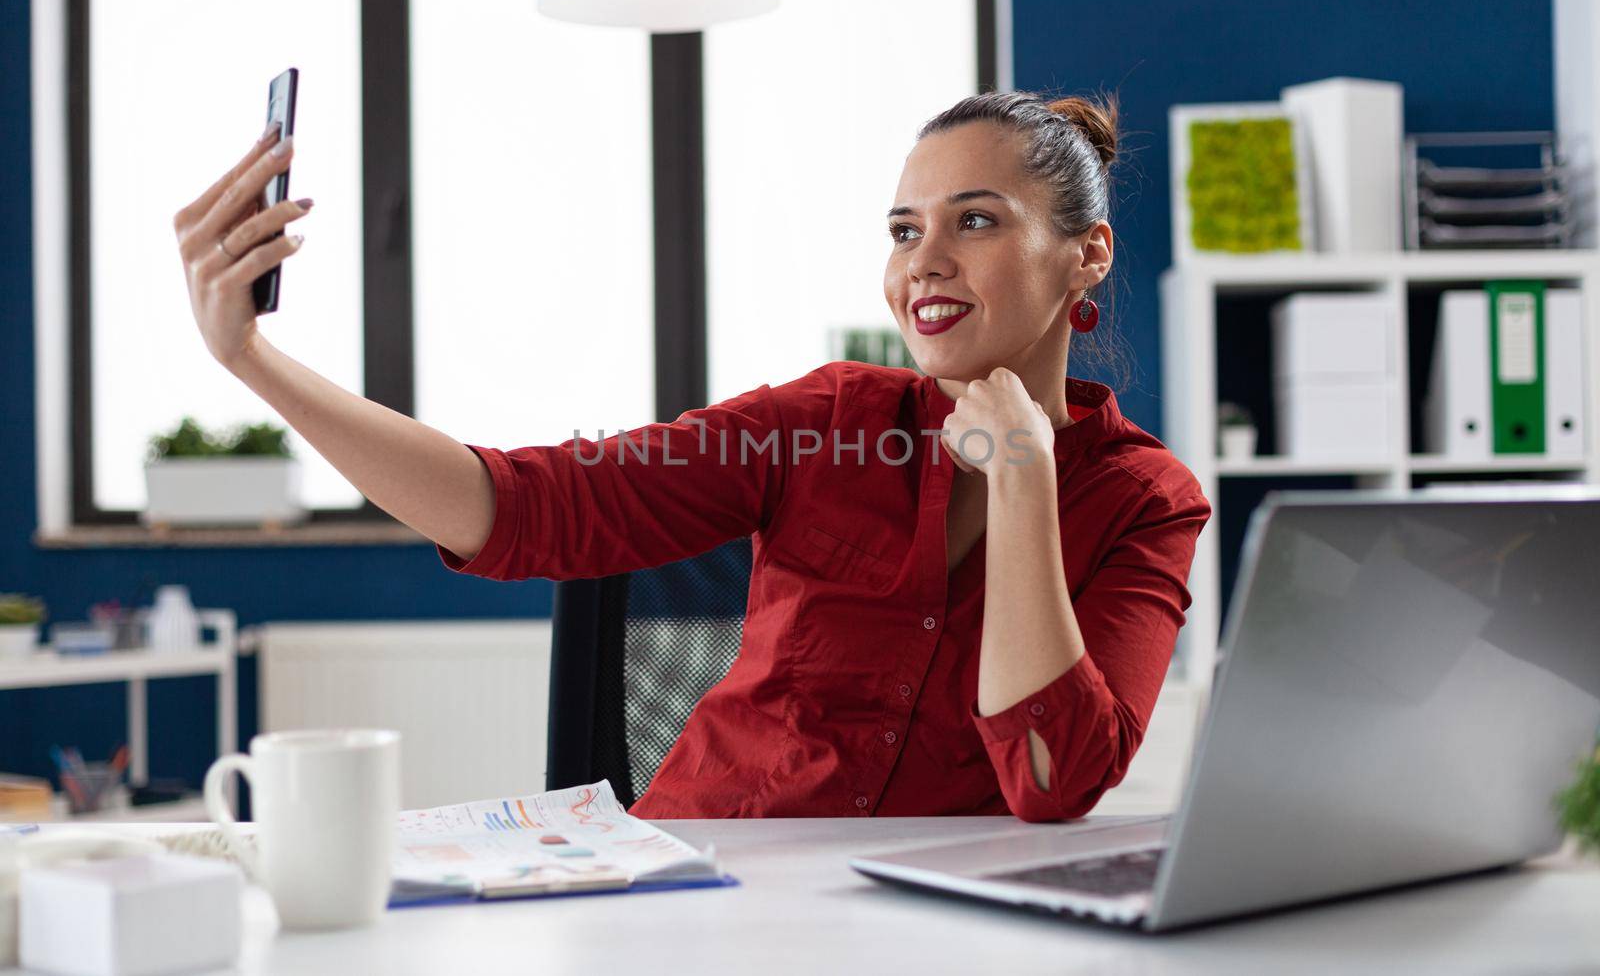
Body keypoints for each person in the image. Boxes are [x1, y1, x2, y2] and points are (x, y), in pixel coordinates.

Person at [172, 89, 1210, 823]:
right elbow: (524, 506)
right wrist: (251, 358)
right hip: (704, 875)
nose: (922, 264)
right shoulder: (824, 420)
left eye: (973, 221)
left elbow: (1050, 778)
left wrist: (1026, 480)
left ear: (1089, 249)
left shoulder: (1145, 499)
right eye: (902, 230)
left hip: (925, 927)